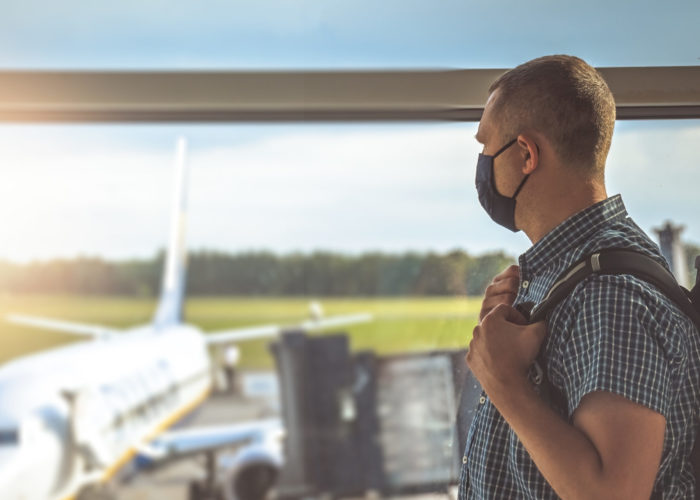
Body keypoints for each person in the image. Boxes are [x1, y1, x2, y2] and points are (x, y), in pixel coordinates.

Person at [461, 55, 700, 499]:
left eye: (486, 146)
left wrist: (505, 383)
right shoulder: (566, 277)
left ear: (526, 154)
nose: (482, 164)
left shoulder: (609, 294)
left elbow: (616, 493)